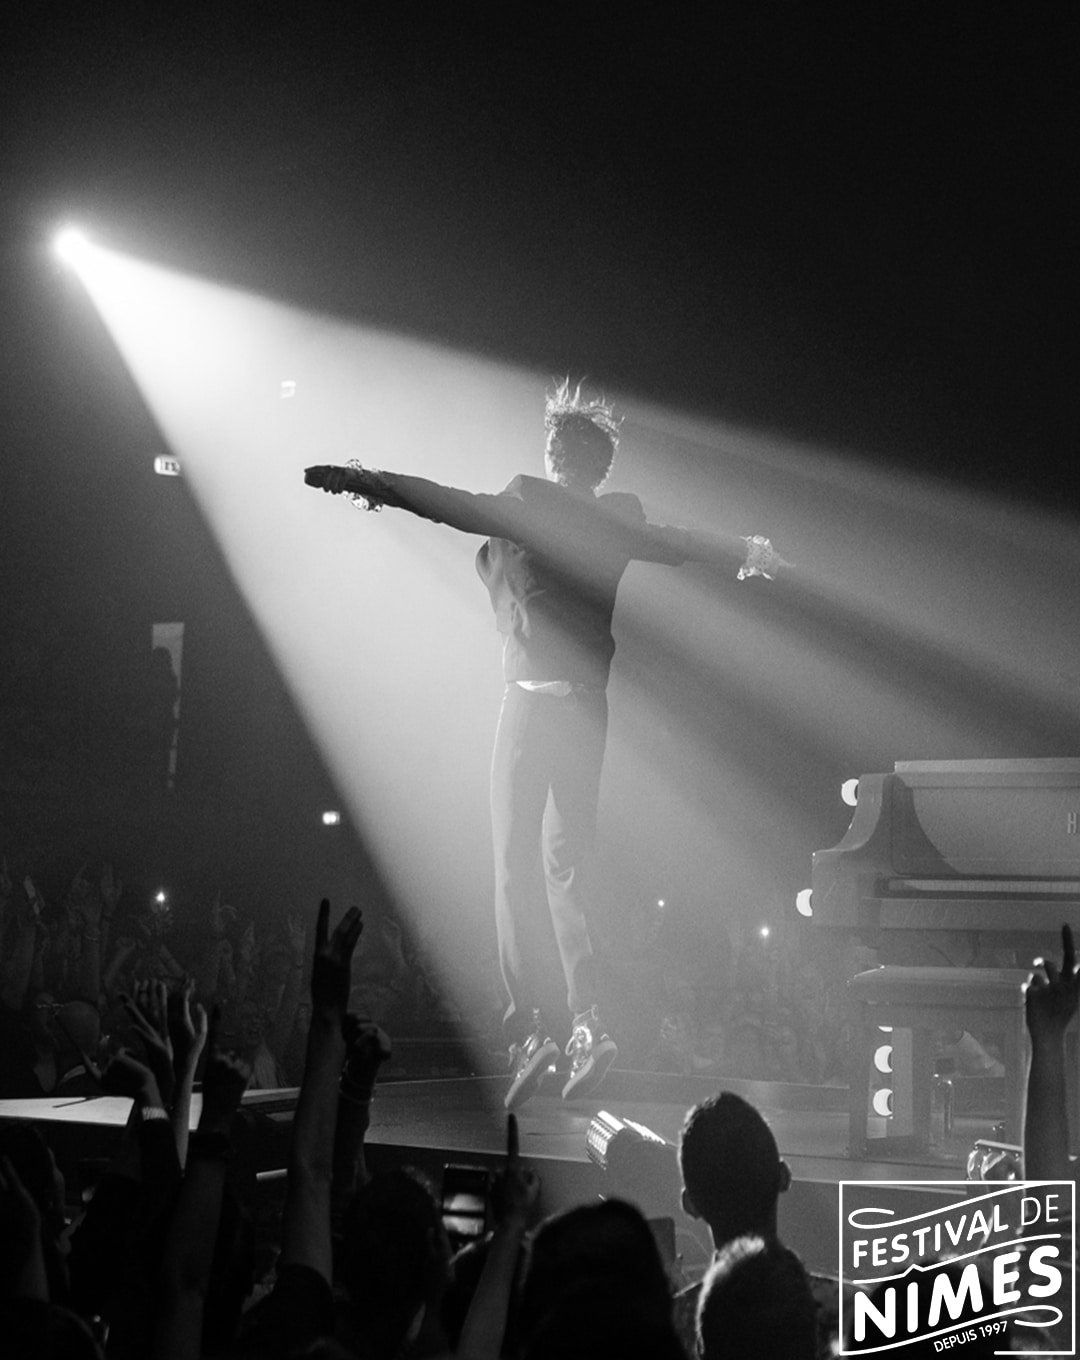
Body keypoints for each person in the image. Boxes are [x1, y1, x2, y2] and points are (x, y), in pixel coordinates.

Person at [307, 380, 786, 1109]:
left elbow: (445, 502)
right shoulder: (618, 518)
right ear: (598, 465)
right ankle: (588, 1023)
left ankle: (530, 1029)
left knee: (511, 866)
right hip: (586, 714)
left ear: (556, 455)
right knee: (567, 867)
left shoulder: (527, 502)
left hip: (530, 711)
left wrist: (362, 481)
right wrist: (748, 550)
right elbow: (679, 545)